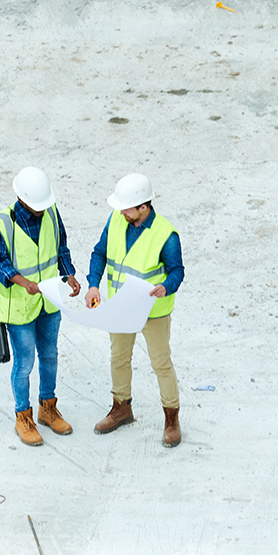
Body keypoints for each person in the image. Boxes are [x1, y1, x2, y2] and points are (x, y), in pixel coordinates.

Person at [85, 173, 186, 447]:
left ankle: (171, 418)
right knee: (118, 358)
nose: (120, 211)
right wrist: (93, 285)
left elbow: (177, 271)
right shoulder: (117, 220)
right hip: (121, 307)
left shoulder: (166, 235)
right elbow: (99, 253)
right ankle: (121, 408)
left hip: (153, 312)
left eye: (126, 207)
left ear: (144, 207)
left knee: (161, 363)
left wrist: (166, 286)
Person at [0, 166, 81, 446]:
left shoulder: (50, 211)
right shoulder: (2, 224)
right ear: (22, 198)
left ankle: (47, 408)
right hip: (20, 307)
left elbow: (60, 245)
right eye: (36, 206)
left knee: (50, 355)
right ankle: (23, 416)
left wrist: (69, 274)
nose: (41, 210)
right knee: (25, 362)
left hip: (48, 301)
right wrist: (22, 281)